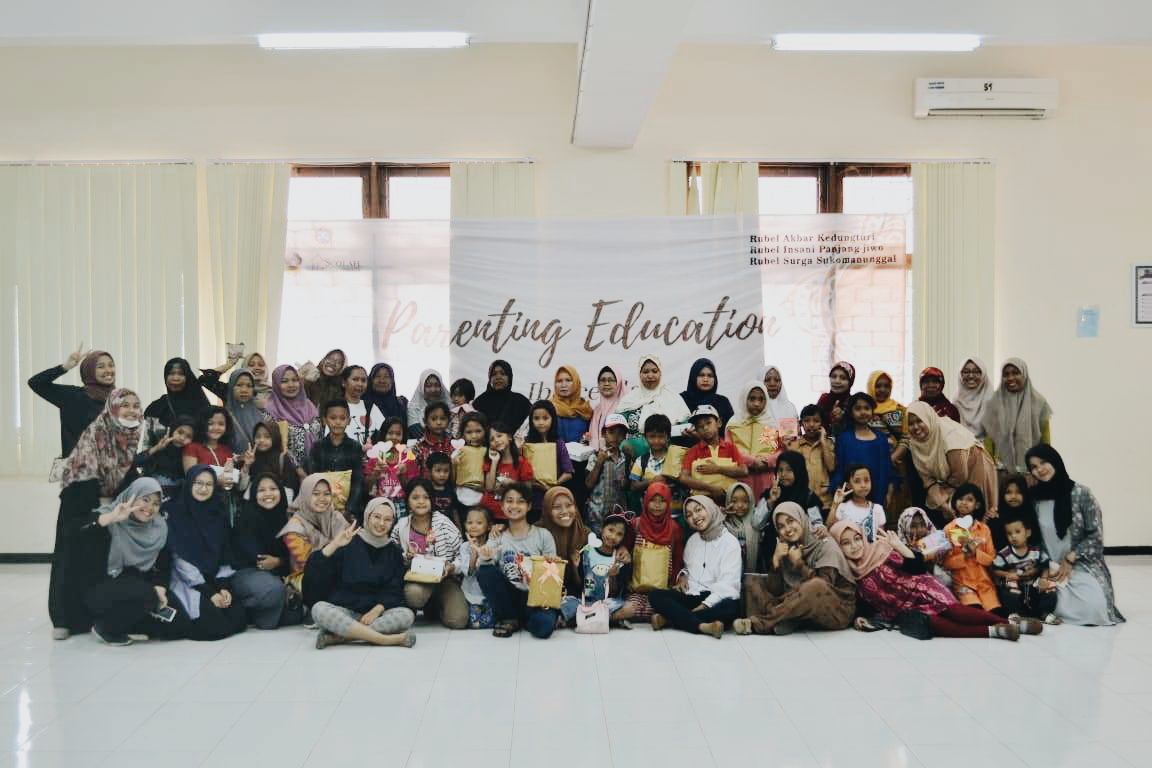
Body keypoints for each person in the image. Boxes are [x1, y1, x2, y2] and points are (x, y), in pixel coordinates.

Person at [831, 521, 1031, 640]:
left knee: (953, 612)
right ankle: (993, 632)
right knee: (937, 625)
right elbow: (863, 604)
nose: (854, 546)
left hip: (922, 590)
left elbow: (917, 567)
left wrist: (900, 547)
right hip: (905, 611)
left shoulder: (881, 550)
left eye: (857, 538)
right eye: (846, 543)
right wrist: (861, 617)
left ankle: (1009, 622)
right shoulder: (849, 574)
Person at [50, 387, 142, 639]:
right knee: (71, 561)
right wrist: (101, 501)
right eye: (125, 405)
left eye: (136, 406)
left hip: (108, 510)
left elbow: (127, 471)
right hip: (80, 505)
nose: (131, 411)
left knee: (99, 563)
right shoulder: (99, 431)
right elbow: (84, 470)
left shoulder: (130, 434)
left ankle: (94, 617)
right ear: (113, 408)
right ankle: (63, 619)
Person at [1026, 444, 1124, 626]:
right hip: (1049, 567)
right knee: (1030, 595)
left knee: (1094, 609)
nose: (1040, 469)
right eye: (1034, 467)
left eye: (1043, 462)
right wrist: (1046, 566)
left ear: (1055, 461)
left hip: (1080, 565)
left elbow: (1095, 535)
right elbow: (1032, 537)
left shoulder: (1081, 494)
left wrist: (1071, 557)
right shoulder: (1034, 498)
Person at [307, 499, 417, 649]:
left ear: (393, 523)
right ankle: (384, 639)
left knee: (407, 615)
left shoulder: (394, 551)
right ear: (367, 516)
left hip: (375, 615)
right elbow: (314, 572)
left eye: (387, 519)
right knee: (319, 609)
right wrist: (335, 544)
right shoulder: (348, 541)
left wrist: (377, 610)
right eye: (377, 517)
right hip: (345, 610)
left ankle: (340, 637)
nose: (381, 523)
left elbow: (395, 588)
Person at [734, 501, 855, 636]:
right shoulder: (787, 546)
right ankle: (786, 620)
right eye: (781, 526)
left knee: (816, 585)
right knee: (751, 581)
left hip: (837, 611)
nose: (787, 529)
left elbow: (823, 588)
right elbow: (775, 591)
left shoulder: (825, 544)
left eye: (791, 521)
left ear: (801, 518)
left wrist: (799, 565)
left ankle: (761, 624)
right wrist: (775, 562)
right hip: (801, 607)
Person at [79, 478, 171, 646]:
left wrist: (161, 587)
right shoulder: (109, 517)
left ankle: (130, 623)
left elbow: (165, 563)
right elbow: (78, 532)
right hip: (102, 586)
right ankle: (106, 628)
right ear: (131, 496)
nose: (150, 508)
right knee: (147, 595)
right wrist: (112, 518)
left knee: (175, 620)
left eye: (156, 504)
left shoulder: (159, 527)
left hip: (137, 586)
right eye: (145, 499)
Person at [164, 466, 248, 641]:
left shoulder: (217, 513)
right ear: (189, 484)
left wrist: (223, 587)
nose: (203, 489)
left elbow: (225, 553)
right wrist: (209, 593)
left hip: (213, 578)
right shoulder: (175, 513)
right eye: (198, 483)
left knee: (239, 618)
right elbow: (179, 559)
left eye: (209, 484)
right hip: (187, 579)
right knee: (213, 627)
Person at [475, 483, 562, 639]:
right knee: (485, 570)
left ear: (529, 506)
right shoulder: (497, 536)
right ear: (502, 506)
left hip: (536, 597)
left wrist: (553, 563)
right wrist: (486, 556)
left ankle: (524, 619)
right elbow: (483, 566)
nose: (514, 506)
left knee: (544, 628)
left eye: (520, 501)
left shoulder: (543, 535)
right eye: (509, 501)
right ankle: (509, 618)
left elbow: (552, 578)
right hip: (509, 596)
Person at [649, 496, 741, 638]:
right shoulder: (693, 540)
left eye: (698, 510)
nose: (695, 517)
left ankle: (671, 619)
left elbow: (728, 585)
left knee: (730, 608)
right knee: (655, 595)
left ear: (710, 508)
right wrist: (683, 575)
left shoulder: (730, 542)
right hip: (692, 595)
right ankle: (703, 626)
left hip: (715, 597)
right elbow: (688, 567)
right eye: (689, 515)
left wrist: (705, 605)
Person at [906, 401, 998, 526]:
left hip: (974, 469)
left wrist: (949, 502)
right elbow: (927, 480)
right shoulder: (914, 443)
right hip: (949, 481)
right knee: (943, 513)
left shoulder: (949, 434)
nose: (916, 427)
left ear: (928, 418)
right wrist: (942, 503)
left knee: (976, 516)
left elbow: (960, 475)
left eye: (919, 421)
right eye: (911, 424)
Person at [393, 478, 467, 629]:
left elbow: (463, 554)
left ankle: (435, 606)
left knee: (458, 621)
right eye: (415, 497)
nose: (421, 502)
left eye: (426, 497)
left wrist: (452, 567)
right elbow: (392, 556)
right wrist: (406, 557)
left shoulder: (444, 524)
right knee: (414, 595)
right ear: (407, 501)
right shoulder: (401, 526)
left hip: (445, 580)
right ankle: (427, 604)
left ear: (432, 500)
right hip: (417, 580)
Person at [229, 473, 291, 629]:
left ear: (281, 492)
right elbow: (261, 560)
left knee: (293, 614)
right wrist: (282, 563)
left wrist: (279, 561)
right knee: (273, 589)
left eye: (273, 489)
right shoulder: (247, 517)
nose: (268, 494)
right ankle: (240, 607)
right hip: (245, 572)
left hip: (276, 573)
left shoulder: (286, 517)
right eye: (261, 490)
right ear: (254, 494)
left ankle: (256, 615)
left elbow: (288, 556)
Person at [29, 346, 116, 458]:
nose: (108, 370)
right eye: (101, 366)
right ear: (89, 370)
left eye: (111, 365)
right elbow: (35, 383)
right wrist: (65, 367)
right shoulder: (74, 396)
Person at [278, 474, 350, 600]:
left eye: (327, 494)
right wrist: (334, 545)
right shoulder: (294, 528)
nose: (322, 499)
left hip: (337, 570)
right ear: (305, 495)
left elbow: (351, 551)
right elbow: (309, 565)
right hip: (306, 577)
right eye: (315, 494)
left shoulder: (335, 517)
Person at [622, 481, 684, 624]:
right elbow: (625, 550)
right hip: (636, 589)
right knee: (629, 610)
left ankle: (663, 617)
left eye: (662, 501)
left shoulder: (674, 529)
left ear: (668, 503)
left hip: (662, 590)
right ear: (645, 501)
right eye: (653, 500)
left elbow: (677, 559)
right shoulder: (636, 524)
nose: (657, 505)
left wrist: (674, 583)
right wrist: (626, 581)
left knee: (660, 608)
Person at [559, 510, 633, 628]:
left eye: (619, 534)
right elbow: (577, 585)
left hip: (606, 603)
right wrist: (575, 567)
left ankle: (580, 619)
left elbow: (615, 593)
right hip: (583, 601)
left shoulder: (620, 558)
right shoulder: (587, 551)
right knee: (565, 603)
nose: (613, 536)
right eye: (610, 530)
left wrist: (613, 577)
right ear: (602, 528)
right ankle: (603, 619)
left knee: (629, 608)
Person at [983, 359, 1053, 475]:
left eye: (1015, 373)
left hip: (1031, 472)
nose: (1010, 378)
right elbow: (989, 441)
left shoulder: (1039, 404)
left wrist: (1041, 469)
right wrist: (990, 467)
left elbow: (1045, 442)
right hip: (1001, 472)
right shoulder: (994, 404)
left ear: (1024, 375)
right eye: (1006, 374)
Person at [830, 392, 893, 510]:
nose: (863, 412)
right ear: (851, 412)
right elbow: (839, 468)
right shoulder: (844, 439)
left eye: (867, 408)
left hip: (878, 494)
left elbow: (888, 468)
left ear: (872, 411)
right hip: (851, 497)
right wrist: (838, 491)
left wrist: (889, 493)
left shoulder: (881, 438)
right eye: (858, 408)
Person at [942, 483, 999, 612]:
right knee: (975, 611)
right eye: (960, 499)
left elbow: (991, 560)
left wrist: (976, 553)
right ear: (954, 502)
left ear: (977, 505)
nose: (964, 502)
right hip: (962, 583)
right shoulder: (949, 529)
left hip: (984, 584)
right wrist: (964, 556)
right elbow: (946, 563)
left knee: (996, 613)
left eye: (969, 499)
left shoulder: (984, 529)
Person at [991, 516, 1059, 624]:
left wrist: (1043, 578)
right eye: (1009, 533)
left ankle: (1044, 612)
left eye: (1017, 532)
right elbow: (995, 570)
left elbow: (1045, 565)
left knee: (1050, 584)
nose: (1013, 536)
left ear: (1027, 533)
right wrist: (1007, 574)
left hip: (1033, 586)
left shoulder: (1036, 551)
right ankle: (1013, 613)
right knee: (1009, 584)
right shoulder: (1005, 553)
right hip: (1017, 587)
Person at [678, 405, 749, 501]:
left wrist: (718, 469)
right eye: (700, 426)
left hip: (729, 500)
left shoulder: (730, 447)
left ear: (719, 423)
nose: (705, 428)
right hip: (702, 502)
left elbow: (744, 471)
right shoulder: (693, 451)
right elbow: (684, 478)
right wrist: (711, 488)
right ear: (696, 430)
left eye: (708, 423)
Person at [756, 451, 824, 550]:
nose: (783, 474)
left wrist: (820, 527)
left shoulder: (808, 497)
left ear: (799, 471)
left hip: (802, 550)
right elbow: (756, 524)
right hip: (773, 549)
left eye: (789, 470)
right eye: (780, 470)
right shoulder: (770, 494)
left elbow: (817, 525)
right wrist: (771, 501)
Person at [726, 381, 783, 499]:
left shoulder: (771, 424)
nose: (757, 404)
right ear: (744, 399)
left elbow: (780, 451)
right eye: (752, 399)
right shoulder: (733, 424)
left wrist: (767, 461)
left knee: (765, 505)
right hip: (741, 476)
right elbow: (728, 450)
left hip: (766, 478)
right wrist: (752, 461)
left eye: (761, 399)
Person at [615, 355, 688, 445]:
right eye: (645, 372)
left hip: (667, 449)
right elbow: (617, 428)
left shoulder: (673, 397)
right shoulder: (629, 400)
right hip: (634, 450)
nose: (650, 376)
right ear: (639, 374)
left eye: (654, 371)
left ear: (660, 373)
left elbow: (685, 425)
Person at [539, 486, 591, 599]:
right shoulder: (536, 534)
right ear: (547, 510)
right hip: (545, 597)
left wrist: (575, 568)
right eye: (556, 507)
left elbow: (588, 582)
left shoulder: (585, 534)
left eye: (569, 505)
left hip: (577, 597)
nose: (564, 511)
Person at [264, 364, 320, 468]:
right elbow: (273, 447)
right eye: (284, 381)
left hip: (316, 468)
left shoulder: (309, 405)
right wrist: (297, 468)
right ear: (276, 384)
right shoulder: (271, 411)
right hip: (287, 471)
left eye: (295, 380)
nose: (291, 385)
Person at [127, 414, 196, 499]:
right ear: (173, 430)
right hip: (149, 494)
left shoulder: (189, 457)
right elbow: (134, 463)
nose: (182, 438)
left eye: (188, 436)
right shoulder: (160, 447)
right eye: (180, 432)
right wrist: (156, 448)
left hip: (173, 498)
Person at [453, 506, 498, 629]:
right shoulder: (464, 547)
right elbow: (468, 572)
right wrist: (473, 554)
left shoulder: (492, 545)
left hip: (489, 595)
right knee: (473, 622)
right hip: (471, 594)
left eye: (479, 523)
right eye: (469, 522)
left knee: (494, 618)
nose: (473, 526)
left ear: (489, 526)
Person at [525, 400, 575, 510]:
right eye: (536, 418)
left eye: (545, 418)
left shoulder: (559, 443)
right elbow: (521, 473)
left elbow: (568, 472)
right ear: (531, 420)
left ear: (553, 419)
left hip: (553, 498)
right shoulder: (526, 444)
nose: (541, 422)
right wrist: (537, 485)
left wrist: (553, 485)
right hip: (531, 500)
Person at [786, 404, 836, 511]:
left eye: (816, 421)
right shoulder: (794, 445)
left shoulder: (828, 443)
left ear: (822, 424)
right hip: (801, 500)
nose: (811, 425)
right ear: (801, 424)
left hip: (824, 500)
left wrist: (823, 442)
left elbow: (831, 467)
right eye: (807, 421)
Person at [586, 413, 630, 532]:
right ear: (603, 433)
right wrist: (599, 462)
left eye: (620, 433)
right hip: (597, 515)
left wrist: (625, 482)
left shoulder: (626, 458)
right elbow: (588, 484)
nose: (615, 437)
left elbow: (627, 485)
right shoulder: (595, 457)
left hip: (618, 515)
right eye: (611, 432)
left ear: (625, 436)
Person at [481, 421, 534, 522]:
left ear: (509, 437)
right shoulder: (490, 461)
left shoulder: (522, 462)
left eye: (499, 435)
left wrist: (512, 483)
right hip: (490, 513)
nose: (496, 440)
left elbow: (528, 490)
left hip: (511, 513)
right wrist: (495, 461)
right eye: (492, 439)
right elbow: (489, 487)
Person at [364, 418, 417, 516]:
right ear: (383, 434)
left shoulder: (408, 458)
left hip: (401, 503)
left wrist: (402, 476)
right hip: (379, 503)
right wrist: (375, 474)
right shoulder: (375, 456)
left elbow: (412, 489)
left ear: (403, 436)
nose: (394, 437)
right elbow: (367, 487)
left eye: (398, 434)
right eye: (390, 433)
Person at [143, 357, 210, 429]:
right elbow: (147, 434)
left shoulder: (200, 404)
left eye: (181, 374)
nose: (175, 378)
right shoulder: (156, 407)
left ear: (188, 377)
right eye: (171, 373)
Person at [473, 360, 533, 437]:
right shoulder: (480, 402)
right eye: (494, 374)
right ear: (490, 378)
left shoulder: (521, 402)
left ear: (509, 377)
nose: (498, 377)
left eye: (503, 373)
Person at [245, 421, 304, 497]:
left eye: (267, 437)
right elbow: (241, 488)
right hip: (254, 502)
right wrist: (247, 465)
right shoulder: (251, 457)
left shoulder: (282, 458)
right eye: (258, 436)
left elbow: (290, 487)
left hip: (277, 502)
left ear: (275, 437)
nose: (261, 440)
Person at [831, 464, 886, 543]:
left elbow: (881, 538)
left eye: (866, 480)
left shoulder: (877, 509)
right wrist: (835, 505)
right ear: (848, 485)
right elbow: (830, 530)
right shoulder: (842, 507)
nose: (863, 485)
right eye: (857, 481)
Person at [723, 481, 769, 571]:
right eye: (734, 501)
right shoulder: (725, 524)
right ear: (728, 502)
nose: (740, 505)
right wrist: (724, 514)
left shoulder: (756, 522)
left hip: (753, 572)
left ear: (751, 502)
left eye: (745, 501)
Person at [679, 358, 734, 432]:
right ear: (693, 377)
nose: (705, 379)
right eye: (701, 375)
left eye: (710, 375)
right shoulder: (681, 399)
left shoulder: (723, 402)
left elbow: (730, 430)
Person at [225, 368, 271, 454]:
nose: (244, 390)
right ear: (231, 387)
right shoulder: (224, 416)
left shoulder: (261, 415)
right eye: (239, 385)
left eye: (249, 386)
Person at [182, 406, 236, 472]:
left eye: (221, 424)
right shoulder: (192, 448)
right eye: (210, 423)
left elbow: (229, 474)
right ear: (202, 424)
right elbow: (191, 475)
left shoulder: (227, 450)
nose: (216, 428)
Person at [549, 365, 593, 443]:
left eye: (568, 380)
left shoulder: (585, 409)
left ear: (576, 383)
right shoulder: (548, 408)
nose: (563, 385)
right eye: (559, 381)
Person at [588, 366, 628, 451]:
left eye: (611, 380)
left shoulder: (626, 407)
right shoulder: (597, 410)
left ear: (618, 383)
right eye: (603, 380)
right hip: (599, 456)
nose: (606, 383)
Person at [363, 363, 408, 434]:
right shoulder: (361, 403)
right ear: (371, 380)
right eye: (378, 376)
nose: (382, 381)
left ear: (392, 381)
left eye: (386, 377)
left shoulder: (400, 404)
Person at [413, 402, 453, 481]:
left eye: (443, 418)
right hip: (426, 487)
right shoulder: (419, 446)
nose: (439, 422)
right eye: (433, 419)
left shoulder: (453, 443)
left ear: (449, 421)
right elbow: (415, 474)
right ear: (425, 421)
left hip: (450, 487)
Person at [406, 368, 450, 439]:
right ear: (422, 387)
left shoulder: (449, 405)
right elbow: (416, 432)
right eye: (428, 386)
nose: (433, 389)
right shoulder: (413, 408)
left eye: (437, 385)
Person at [954, 358, 992, 439]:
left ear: (983, 374)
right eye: (966, 372)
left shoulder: (993, 401)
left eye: (976, 372)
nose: (971, 376)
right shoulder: (955, 402)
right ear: (960, 375)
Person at [816, 361, 854, 437]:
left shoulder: (853, 403)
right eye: (833, 376)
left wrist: (843, 418)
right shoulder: (823, 399)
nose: (837, 381)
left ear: (850, 382)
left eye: (843, 378)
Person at [761, 365, 799, 441]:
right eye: (768, 380)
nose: (772, 384)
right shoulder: (755, 409)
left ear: (781, 383)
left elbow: (789, 438)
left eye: (777, 380)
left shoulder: (789, 408)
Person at [337, 365, 371, 445]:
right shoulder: (336, 407)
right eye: (355, 379)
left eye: (363, 380)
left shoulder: (371, 407)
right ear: (344, 382)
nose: (360, 384)